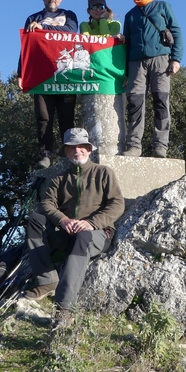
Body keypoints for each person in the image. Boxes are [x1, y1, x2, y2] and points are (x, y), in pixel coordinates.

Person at [23, 128, 125, 328]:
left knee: (83, 236)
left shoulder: (104, 173)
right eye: (72, 147)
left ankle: (63, 309)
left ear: (88, 149)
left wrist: (91, 223)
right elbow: (46, 204)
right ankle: (46, 281)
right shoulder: (58, 179)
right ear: (67, 152)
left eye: (81, 146)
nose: (77, 151)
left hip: (96, 235)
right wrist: (63, 220)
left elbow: (117, 204)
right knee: (34, 220)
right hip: (66, 233)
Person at [120, 0, 184, 158]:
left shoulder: (163, 6)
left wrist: (176, 58)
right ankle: (133, 146)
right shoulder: (130, 15)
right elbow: (127, 44)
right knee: (135, 103)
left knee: (161, 102)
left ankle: (160, 146)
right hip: (136, 63)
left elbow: (177, 32)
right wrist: (124, 72)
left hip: (161, 60)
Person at [18, 0, 79, 168]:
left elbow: (71, 31)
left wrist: (43, 29)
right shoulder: (32, 18)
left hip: (65, 75)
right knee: (43, 117)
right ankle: (46, 153)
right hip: (41, 76)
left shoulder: (69, 15)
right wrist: (21, 72)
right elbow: (26, 47)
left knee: (66, 116)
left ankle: (68, 152)